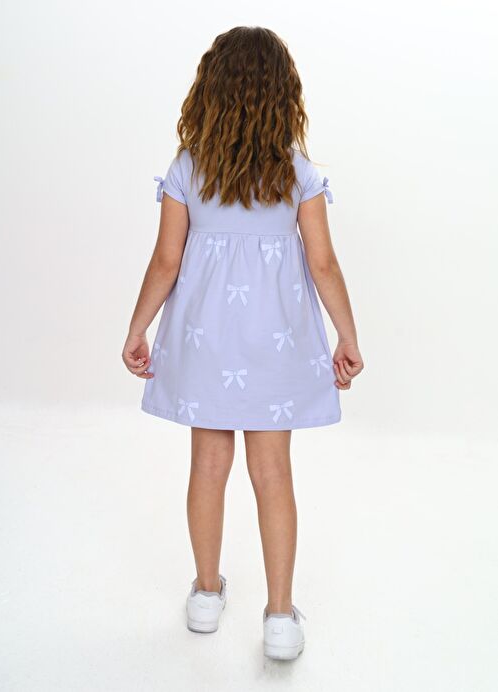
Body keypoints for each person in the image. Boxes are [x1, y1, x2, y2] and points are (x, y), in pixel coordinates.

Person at [122, 26, 364, 660]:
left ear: (210, 89)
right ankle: (280, 616)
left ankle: (206, 595)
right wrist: (347, 334)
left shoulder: (188, 167)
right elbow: (323, 264)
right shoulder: (297, 172)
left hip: (207, 344)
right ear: (284, 95)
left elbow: (166, 261)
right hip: (274, 345)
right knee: (273, 472)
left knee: (208, 465)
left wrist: (138, 327)